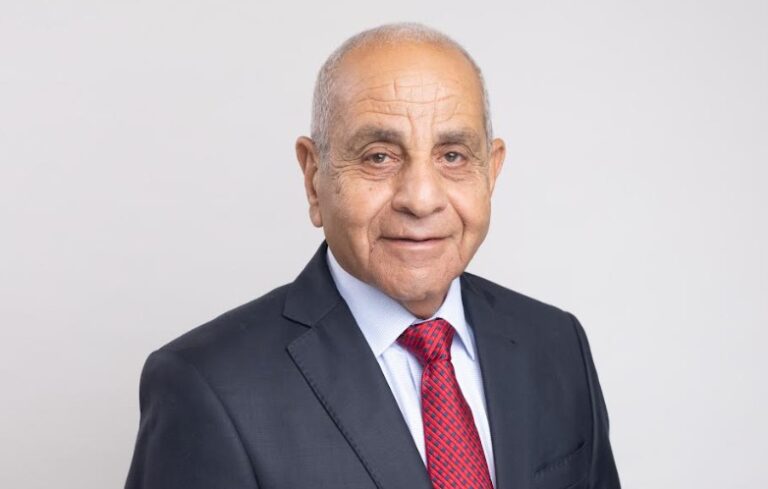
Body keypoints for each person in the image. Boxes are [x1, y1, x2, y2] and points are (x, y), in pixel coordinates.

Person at [125, 22, 621, 489]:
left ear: (490, 173)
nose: (421, 199)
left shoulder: (557, 343)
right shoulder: (207, 386)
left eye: (452, 156)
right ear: (313, 178)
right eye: (379, 156)